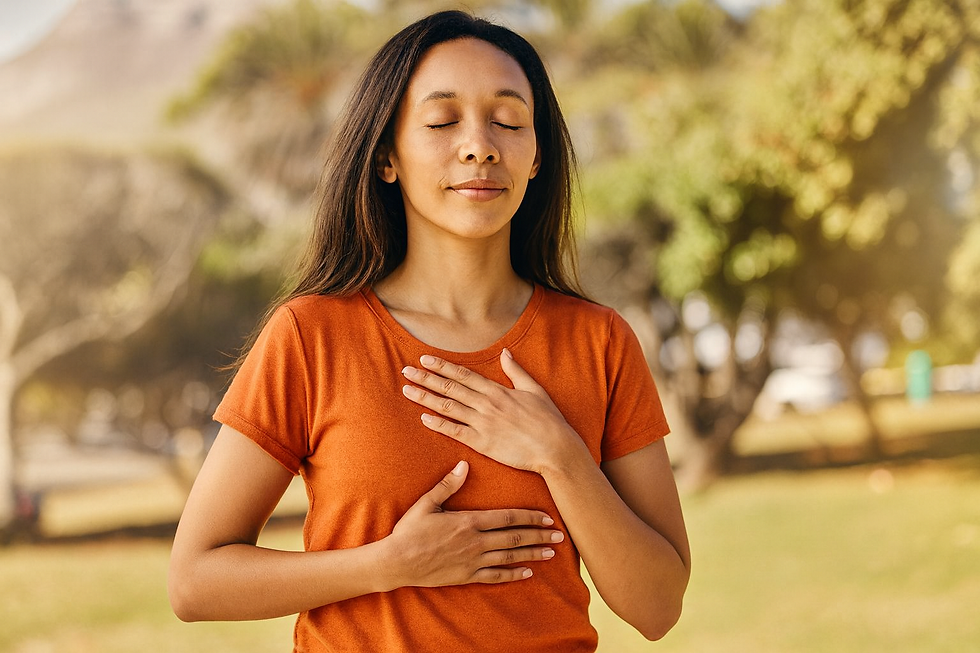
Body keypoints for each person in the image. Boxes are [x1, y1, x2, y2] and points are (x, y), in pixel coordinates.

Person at [168, 10, 690, 652]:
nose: (480, 145)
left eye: (509, 120)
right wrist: (388, 564)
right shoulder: (312, 336)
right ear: (387, 156)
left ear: (535, 157)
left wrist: (560, 455)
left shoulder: (600, 342)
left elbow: (659, 607)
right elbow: (194, 581)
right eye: (442, 122)